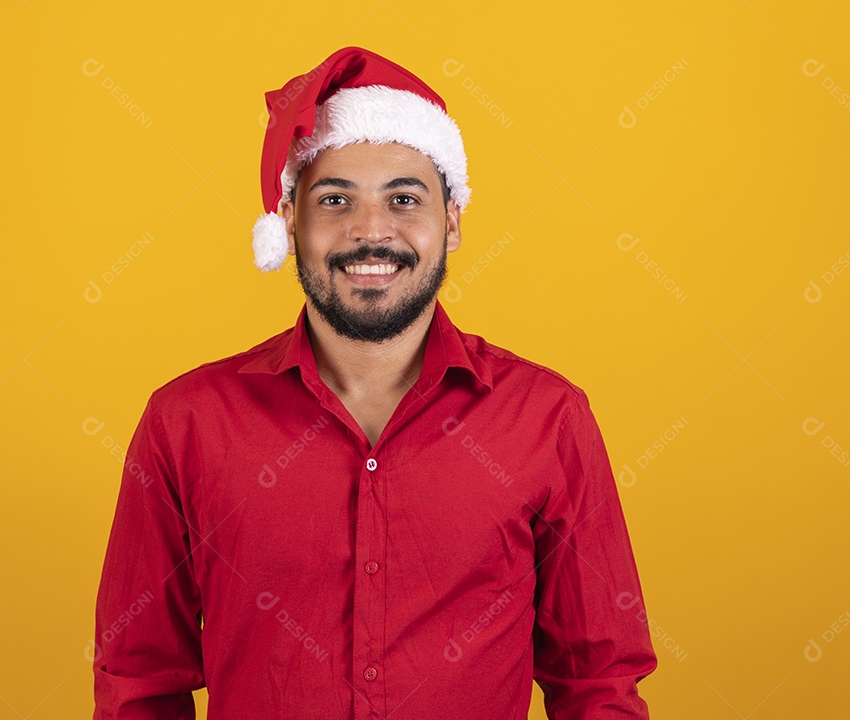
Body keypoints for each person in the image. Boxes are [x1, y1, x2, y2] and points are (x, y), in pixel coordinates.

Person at [93, 46, 657, 720]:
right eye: (335, 200)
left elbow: (599, 684)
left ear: (451, 222)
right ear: (290, 222)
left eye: (404, 199)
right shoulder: (186, 423)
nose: (370, 232)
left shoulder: (548, 417)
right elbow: (138, 683)